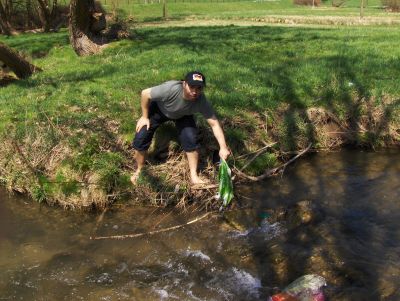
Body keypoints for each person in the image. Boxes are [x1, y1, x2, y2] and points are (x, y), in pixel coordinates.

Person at [131, 71, 230, 185]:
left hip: (183, 115)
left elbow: (215, 124)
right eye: (191, 87)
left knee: (191, 139)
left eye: (199, 88)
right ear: (184, 84)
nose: (194, 92)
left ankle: (194, 176)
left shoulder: (201, 100)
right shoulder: (170, 89)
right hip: (160, 109)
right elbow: (145, 93)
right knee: (142, 136)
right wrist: (144, 117)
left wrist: (223, 147)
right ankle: (140, 170)